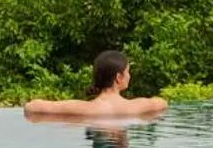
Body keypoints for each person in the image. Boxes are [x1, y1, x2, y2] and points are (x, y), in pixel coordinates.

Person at [23, 49, 168, 119]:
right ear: (119, 77)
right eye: (128, 72)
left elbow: (32, 107)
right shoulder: (136, 107)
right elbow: (162, 103)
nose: (130, 76)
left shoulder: (83, 109)